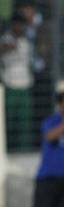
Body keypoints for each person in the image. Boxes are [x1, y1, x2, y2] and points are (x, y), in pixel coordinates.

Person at [0, 12, 33, 151]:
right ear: (13, 25)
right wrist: (8, 47)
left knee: (24, 123)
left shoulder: (26, 41)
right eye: (18, 24)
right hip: (10, 85)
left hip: (25, 85)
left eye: (22, 25)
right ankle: (8, 148)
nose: (20, 27)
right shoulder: (5, 39)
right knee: (9, 121)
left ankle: (23, 149)